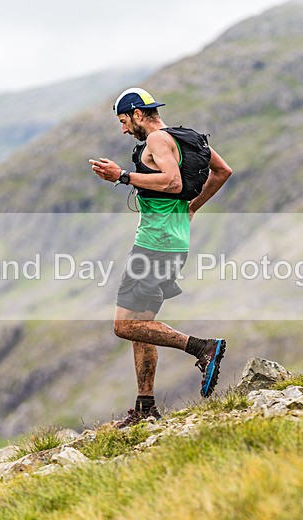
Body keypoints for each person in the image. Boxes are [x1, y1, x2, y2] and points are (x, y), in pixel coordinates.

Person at [89, 87, 233, 428]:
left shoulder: (156, 141)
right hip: (174, 241)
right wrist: (192, 208)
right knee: (143, 326)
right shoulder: (190, 139)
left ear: (139, 114)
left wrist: (122, 176)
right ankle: (145, 406)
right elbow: (223, 171)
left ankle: (202, 347)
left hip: (155, 244)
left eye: (124, 121)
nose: (124, 130)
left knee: (124, 325)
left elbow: (171, 181)